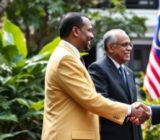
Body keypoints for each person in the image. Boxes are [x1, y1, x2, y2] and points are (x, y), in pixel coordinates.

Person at [41, 12, 148, 140]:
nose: (92, 36)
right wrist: (129, 110)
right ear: (75, 31)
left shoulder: (68, 56)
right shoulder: (65, 59)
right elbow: (90, 99)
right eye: (89, 30)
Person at [88, 29, 142, 140]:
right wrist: (129, 110)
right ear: (111, 47)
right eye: (124, 45)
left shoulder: (129, 72)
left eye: (130, 44)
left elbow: (131, 103)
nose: (129, 48)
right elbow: (101, 102)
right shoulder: (97, 69)